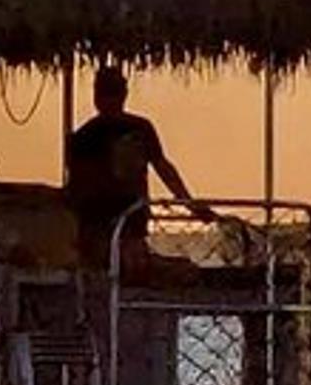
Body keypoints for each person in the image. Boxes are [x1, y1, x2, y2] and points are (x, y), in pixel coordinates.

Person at [64, 66, 209, 274]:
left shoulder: (138, 129)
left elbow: (163, 167)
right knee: (111, 267)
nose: (109, 101)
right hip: (98, 218)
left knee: (131, 266)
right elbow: (77, 184)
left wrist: (190, 204)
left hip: (129, 214)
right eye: (106, 93)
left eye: (112, 93)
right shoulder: (85, 137)